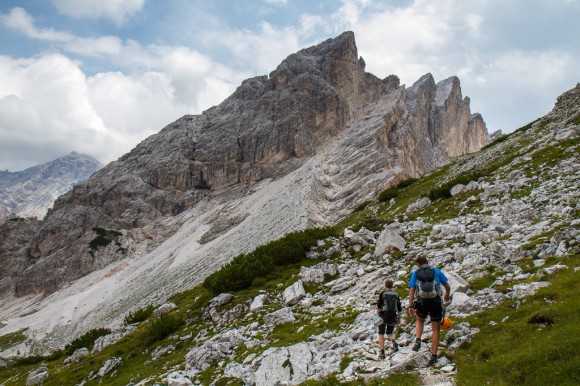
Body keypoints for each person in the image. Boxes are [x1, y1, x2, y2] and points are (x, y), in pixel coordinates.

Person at [408, 256, 451, 365]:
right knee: (435, 329)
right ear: (427, 262)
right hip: (435, 302)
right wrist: (447, 296)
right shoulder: (435, 271)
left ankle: (418, 339)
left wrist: (410, 305)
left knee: (420, 319)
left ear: (418, 264)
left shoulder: (416, 273)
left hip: (422, 301)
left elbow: (412, 289)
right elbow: (447, 285)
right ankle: (434, 356)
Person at [376, 279, 402, 359]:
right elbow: (399, 308)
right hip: (393, 315)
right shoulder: (396, 294)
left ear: (385, 285)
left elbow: (379, 306)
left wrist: (378, 312)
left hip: (383, 315)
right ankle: (394, 342)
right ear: (392, 286)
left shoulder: (382, 294)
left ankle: (382, 352)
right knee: (389, 333)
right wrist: (398, 318)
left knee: (381, 333)